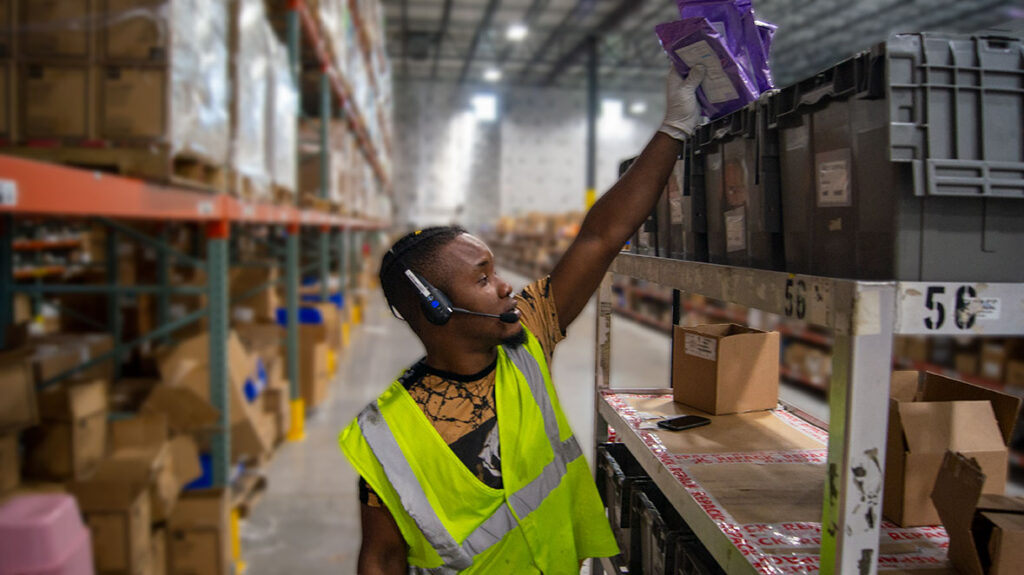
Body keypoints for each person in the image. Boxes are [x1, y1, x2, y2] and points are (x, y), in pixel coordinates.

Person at [339, 65, 707, 575]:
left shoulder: (527, 339)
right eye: (483, 277)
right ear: (435, 307)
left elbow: (600, 237)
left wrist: (674, 128)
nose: (506, 285)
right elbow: (381, 556)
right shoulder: (383, 434)